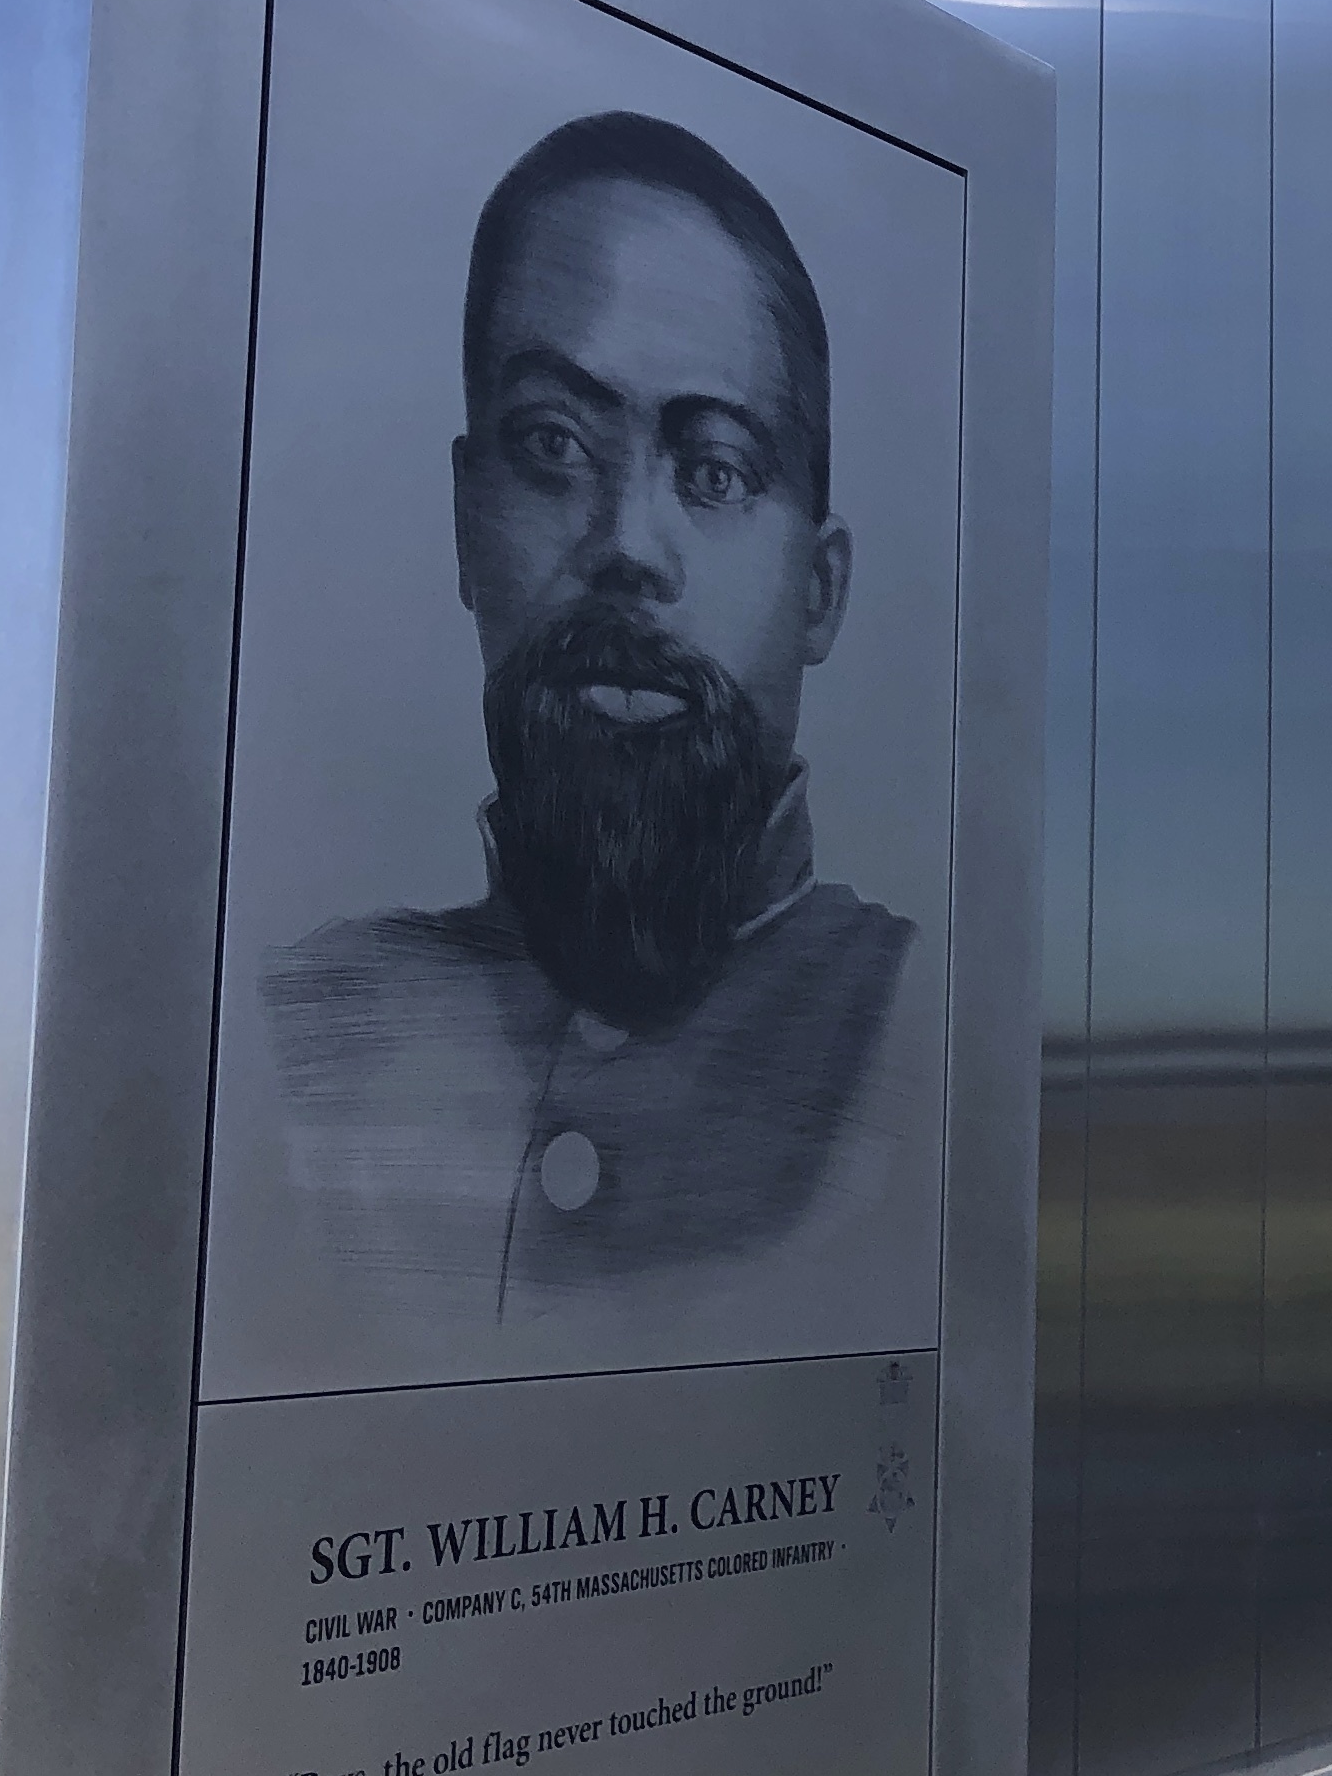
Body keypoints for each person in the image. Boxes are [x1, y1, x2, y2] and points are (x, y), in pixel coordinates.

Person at [262, 111, 916, 1319]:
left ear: (819, 591)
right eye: (554, 445)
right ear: (468, 525)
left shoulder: (930, 1040)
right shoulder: (288, 1042)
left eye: (714, 470)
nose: (624, 543)